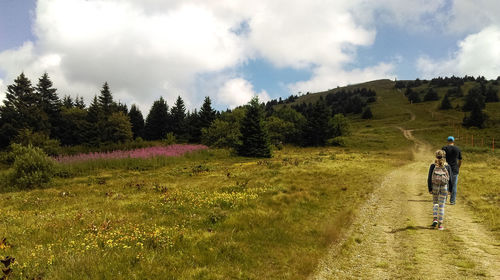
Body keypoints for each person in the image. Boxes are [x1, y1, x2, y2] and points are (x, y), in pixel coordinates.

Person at [428, 150, 454, 230]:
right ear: (444, 156)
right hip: (444, 186)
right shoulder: (447, 166)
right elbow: (451, 179)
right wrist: (450, 190)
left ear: (436, 156)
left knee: (435, 203)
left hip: (435, 186)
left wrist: (430, 188)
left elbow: (429, 178)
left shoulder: (433, 165)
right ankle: (440, 225)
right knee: (442, 206)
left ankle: (435, 219)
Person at [442, 136, 462, 205]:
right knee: (454, 185)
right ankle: (452, 201)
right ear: (453, 141)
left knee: (445, 184)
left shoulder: (444, 148)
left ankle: (444, 200)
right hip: (454, 169)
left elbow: (441, 159)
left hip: (446, 168)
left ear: (447, 141)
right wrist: (458, 167)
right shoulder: (457, 149)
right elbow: (460, 160)